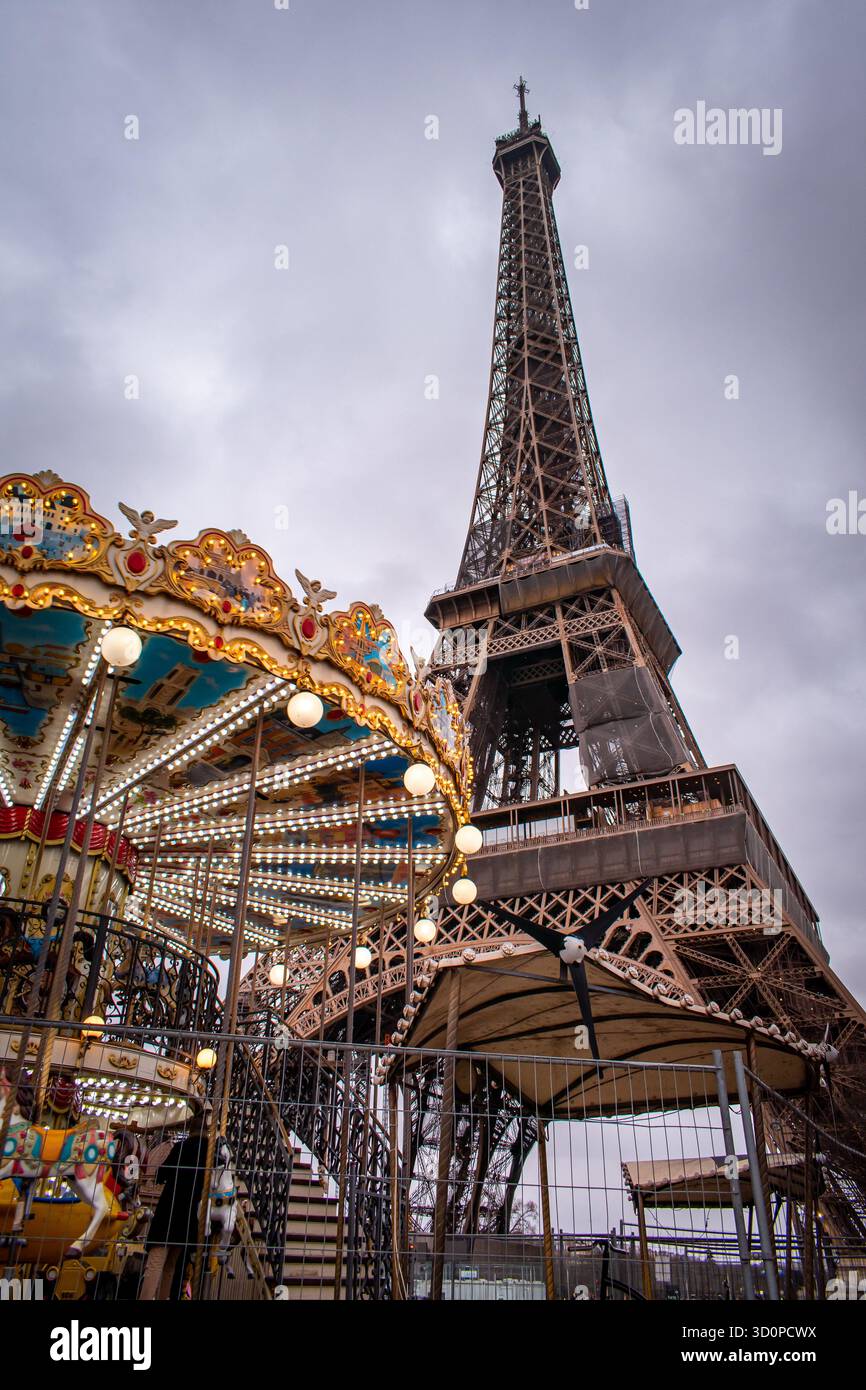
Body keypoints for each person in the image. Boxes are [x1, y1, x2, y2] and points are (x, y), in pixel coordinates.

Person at [139, 1111, 209, 1300]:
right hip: (188, 1215)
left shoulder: (181, 1147)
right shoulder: (208, 1152)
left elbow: (163, 1173)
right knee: (171, 1265)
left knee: (155, 1263)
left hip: (169, 1210)